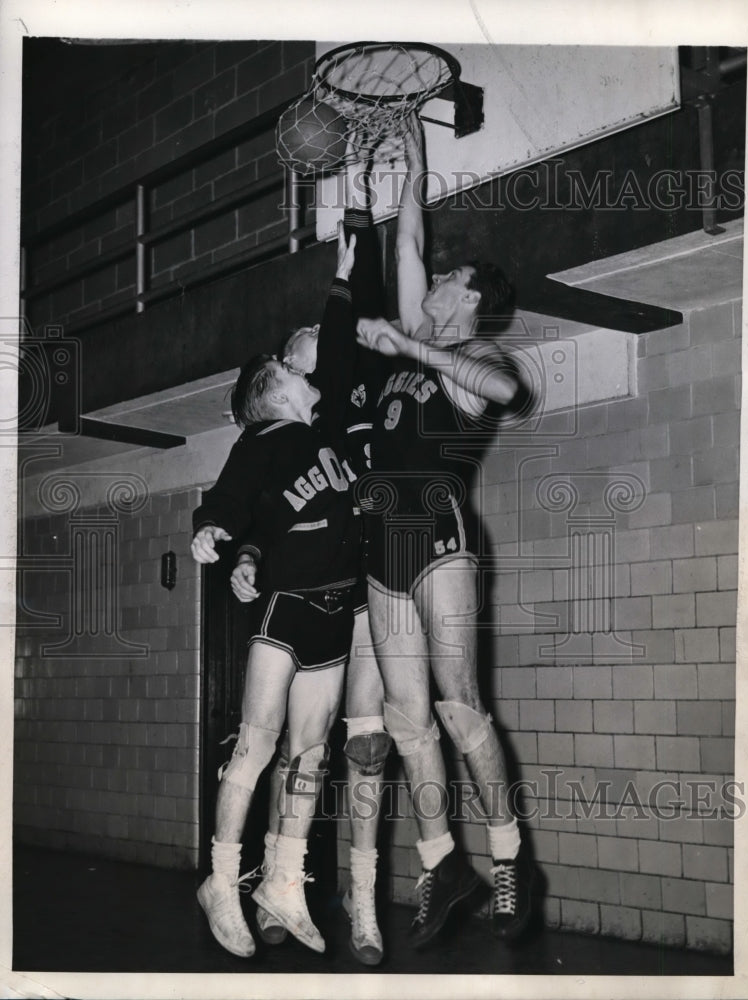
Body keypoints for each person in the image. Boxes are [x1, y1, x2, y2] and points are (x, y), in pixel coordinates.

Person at [354, 112, 535, 948]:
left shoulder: (477, 364)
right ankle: (442, 863)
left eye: (445, 279)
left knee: (460, 710)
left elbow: (503, 397)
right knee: (406, 720)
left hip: (439, 537)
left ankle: (508, 862)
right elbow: (406, 242)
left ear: (469, 300)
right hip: (381, 543)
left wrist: (406, 344)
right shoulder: (411, 342)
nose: (428, 283)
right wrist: (412, 156)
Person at [229, 148, 391, 966]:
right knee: (303, 748)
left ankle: (363, 902)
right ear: (290, 377)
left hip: (381, 582)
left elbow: (357, 305)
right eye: (302, 349)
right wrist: (248, 548)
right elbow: (264, 499)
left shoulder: (364, 387)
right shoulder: (297, 431)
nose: (312, 350)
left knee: (366, 745)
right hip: (324, 587)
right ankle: (278, 882)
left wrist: (357, 219)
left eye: (314, 343)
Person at [190, 225, 364, 959]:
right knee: (257, 746)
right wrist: (212, 531)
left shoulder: (328, 437)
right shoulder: (259, 443)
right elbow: (231, 500)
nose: (312, 369)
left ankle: (282, 881)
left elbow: (338, 346)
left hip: (338, 609)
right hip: (288, 610)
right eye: (299, 367)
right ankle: (221, 879)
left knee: (310, 756)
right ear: (274, 388)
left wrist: (345, 285)